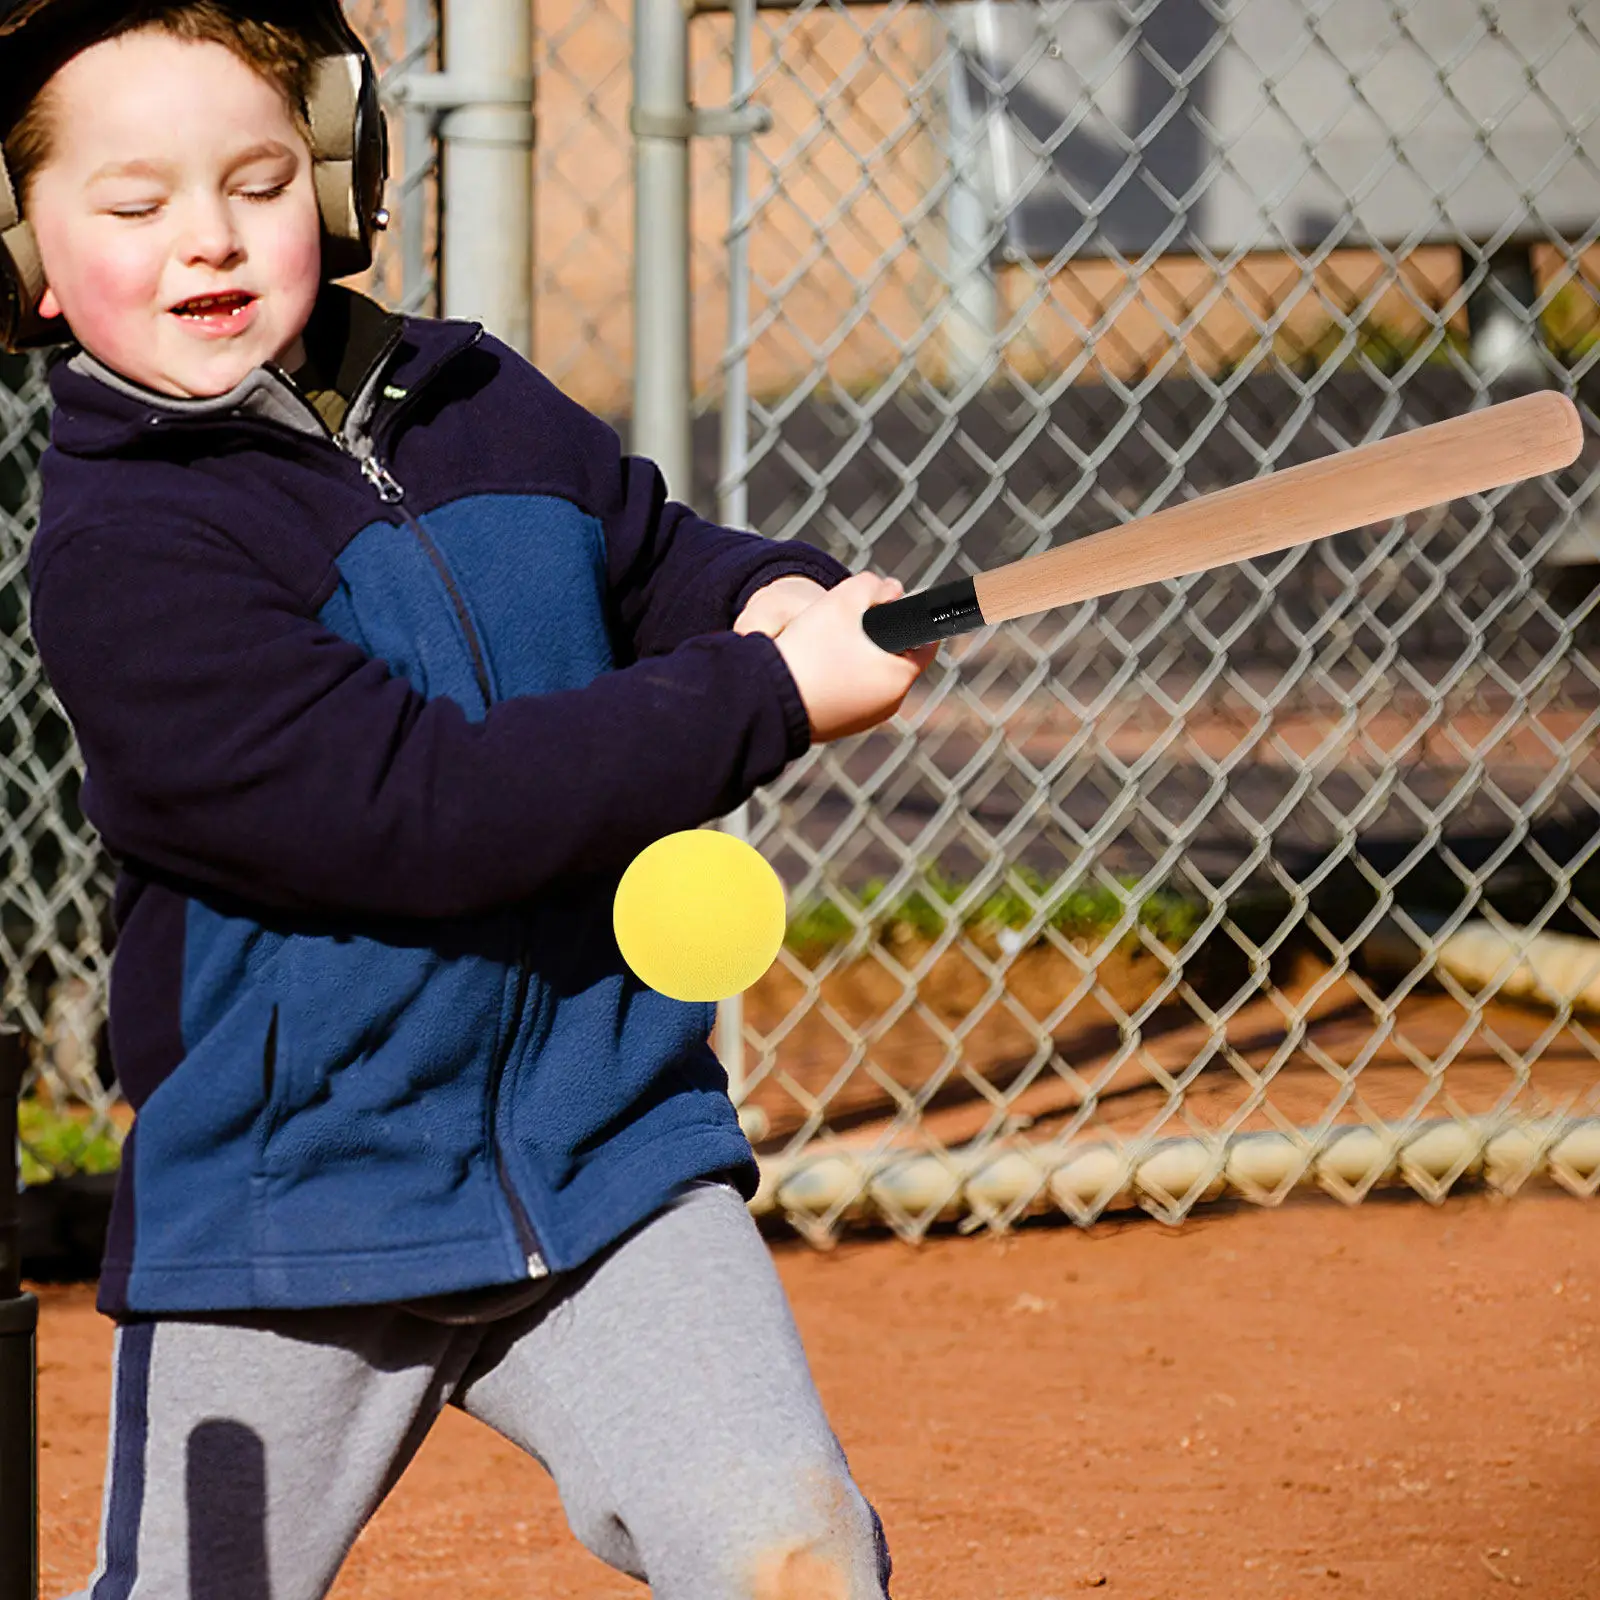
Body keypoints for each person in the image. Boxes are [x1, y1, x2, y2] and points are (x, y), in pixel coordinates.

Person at [3, 1, 938, 1593]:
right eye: (136, 204)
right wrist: (770, 694)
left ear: (338, 180)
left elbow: (647, 558)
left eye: (257, 181)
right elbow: (422, 810)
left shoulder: (469, 396)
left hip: (604, 1139)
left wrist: (770, 598)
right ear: (26, 255)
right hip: (299, 1197)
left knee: (793, 1553)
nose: (209, 237)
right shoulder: (128, 558)